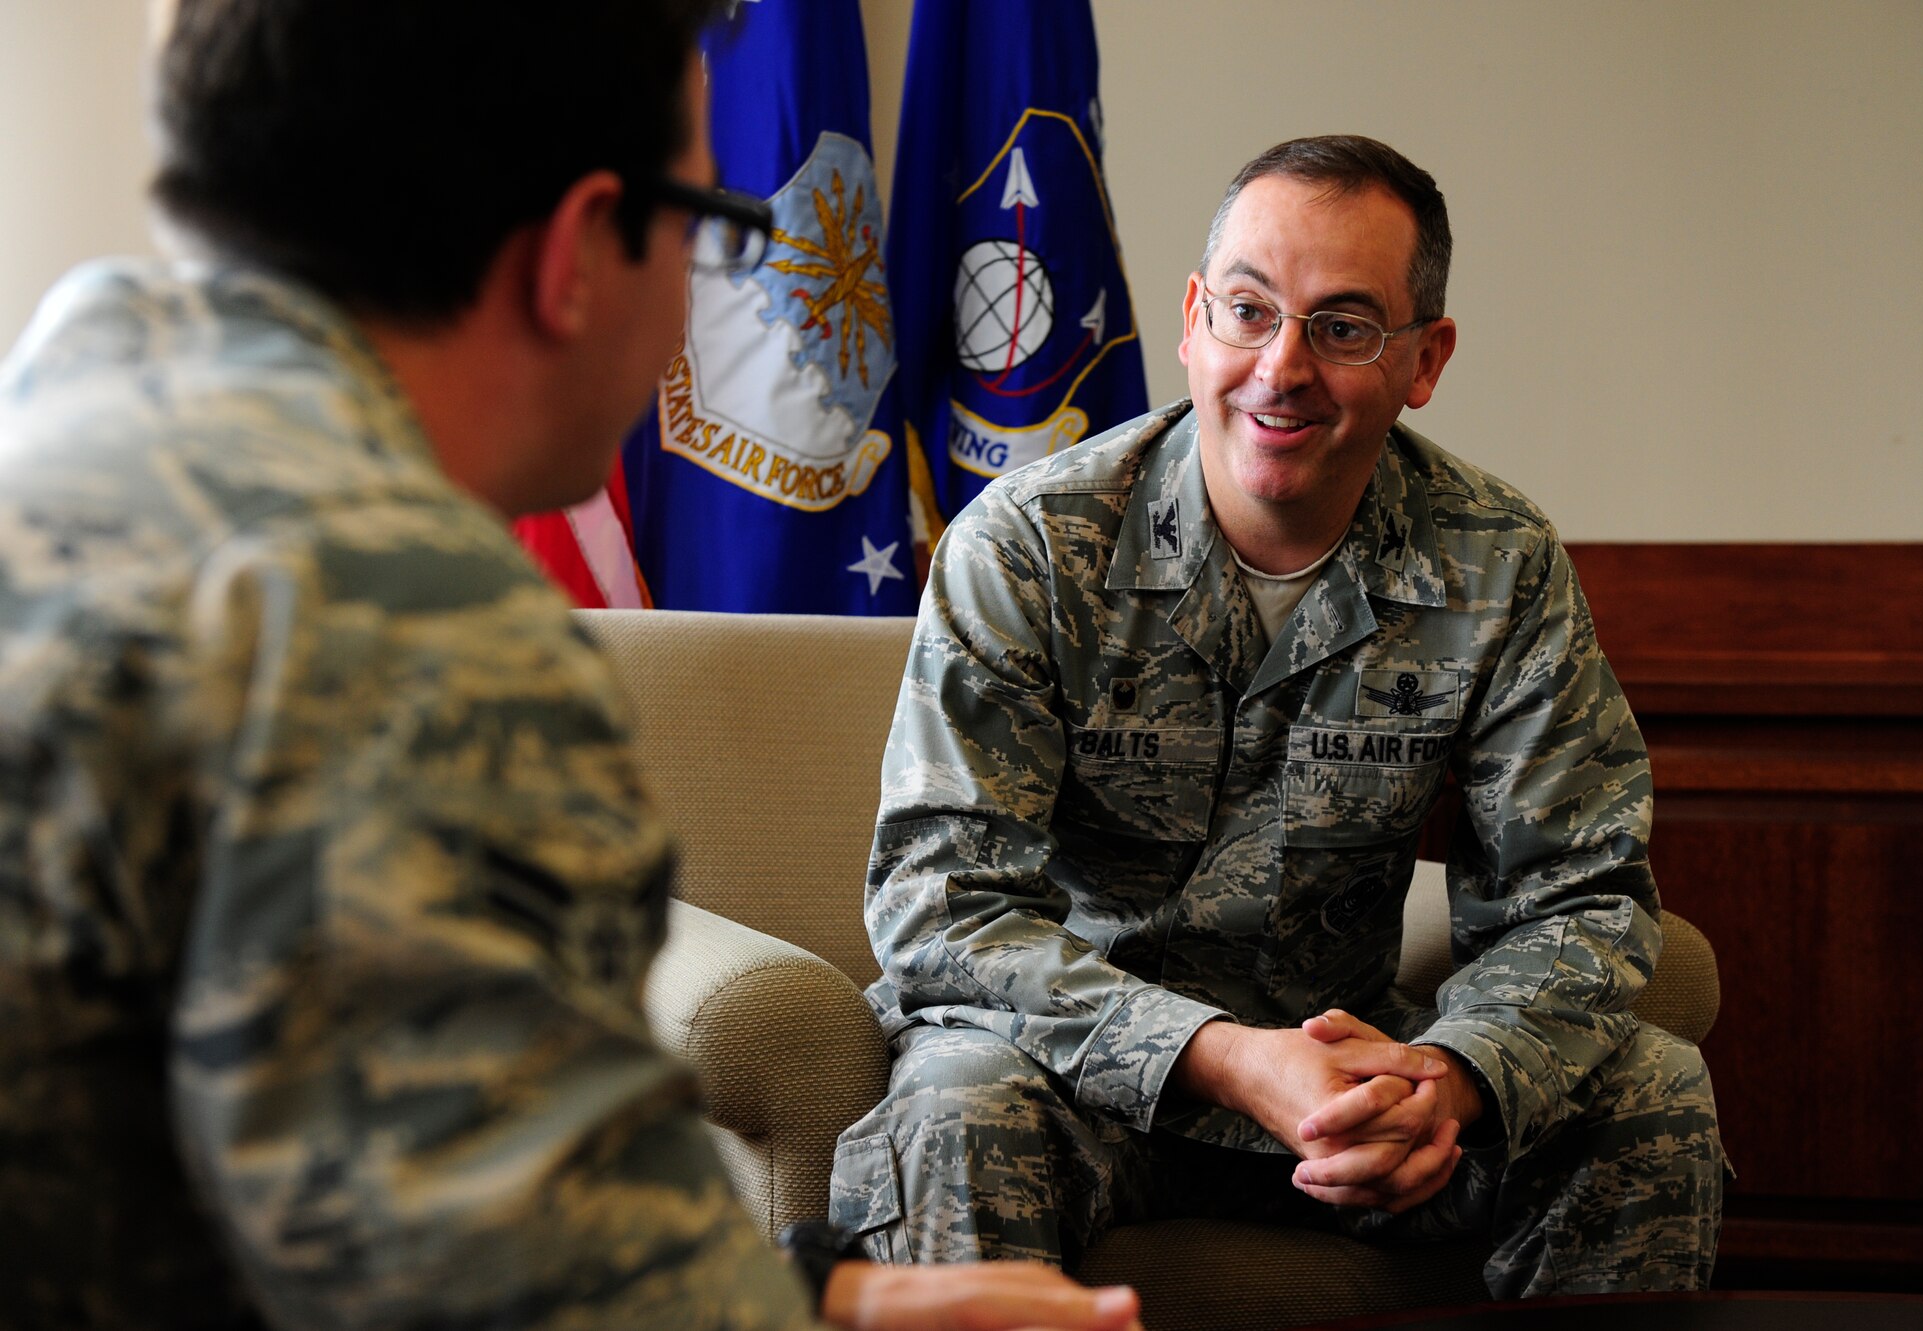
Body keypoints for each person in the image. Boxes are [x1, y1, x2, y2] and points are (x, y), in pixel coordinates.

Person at [0, 3, 1144, 1329]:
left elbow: (367, 1190)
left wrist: (827, 1293)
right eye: (713, 227)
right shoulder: (402, 611)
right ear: (576, 253)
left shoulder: (68, 405)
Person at [833, 135, 1725, 1296]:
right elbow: (939, 901)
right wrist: (1218, 1058)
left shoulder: (1494, 562)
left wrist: (1446, 1079)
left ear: (1424, 358)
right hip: (1074, 1073)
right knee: (953, 1106)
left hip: (1356, 1085)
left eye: (1343, 326)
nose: (1281, 367)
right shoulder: (1031, 545)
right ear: (1194, 321)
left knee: (1649, 1090)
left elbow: (1579, 892)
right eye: (1249, 312)